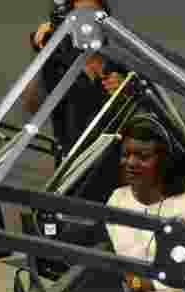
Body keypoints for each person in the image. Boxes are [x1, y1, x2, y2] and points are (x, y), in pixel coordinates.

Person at [22, 0, 125, 203]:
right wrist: (45, 51)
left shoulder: (121, 63)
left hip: (119, 175)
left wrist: (127, 91)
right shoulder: (58, 63)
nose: (87, 20)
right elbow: (32, 105)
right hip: (72, 173)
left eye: (93, 13)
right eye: (80, 13)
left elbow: (145, 121)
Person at [105, 113, 185, 291]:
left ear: (166, 161)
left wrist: (141, 284)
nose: (131, 163)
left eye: (143, 157)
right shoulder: (117, 199)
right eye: (126, 154)